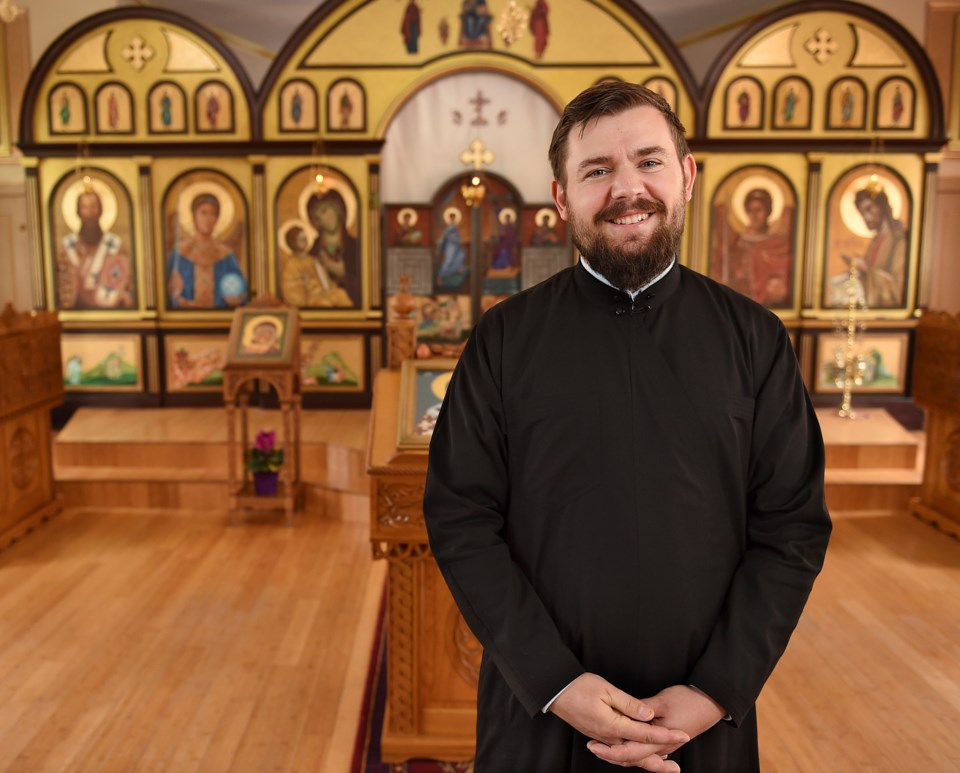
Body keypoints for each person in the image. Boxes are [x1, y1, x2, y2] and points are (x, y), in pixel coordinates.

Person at [423, 82, 831, 772]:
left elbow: (791, 527)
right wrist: (554, 680)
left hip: (701, 725)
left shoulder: (753, 339)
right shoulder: (504, 339)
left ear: (687, 175)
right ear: (561, 199)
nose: (627, 188)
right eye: (597, 170)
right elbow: (461, 518)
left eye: (648, 161)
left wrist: (712, 689)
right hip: (544, 718)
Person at [828, 182, 907, 309]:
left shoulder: (899, 241)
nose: (865, 216)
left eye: (869, 209)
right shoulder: (875, 241)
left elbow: (898, 288)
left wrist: (865, 268)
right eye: (861, 212)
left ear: (882, 207)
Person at [711, 187, 793, 307]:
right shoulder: (736, 244)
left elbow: (783, 278)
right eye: (750, 210)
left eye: (759, 210)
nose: (754, 215)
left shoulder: (777, 244)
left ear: (768, 212)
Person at [57, 188, 134, 310]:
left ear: (100, 211)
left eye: (93, 207)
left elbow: (127, 284)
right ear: (78, 212)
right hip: (78, 319)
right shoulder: (68, 248)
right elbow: (62, 288)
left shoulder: (116, 246)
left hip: (110, 317)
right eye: (84, 207)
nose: (89, 213)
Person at [167, 192, 247, 309]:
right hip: (183, 319)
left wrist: (236, 299)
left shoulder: (226, 255)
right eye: (203, 213)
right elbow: (167, 292)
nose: (208, 219)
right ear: (194, 216)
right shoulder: (180, 252)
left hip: (222, 320)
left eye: (213, 214)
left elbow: (240, 292)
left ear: (217, 218)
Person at [306, 189, 360, 306]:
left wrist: (343, 275)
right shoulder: (313, 253)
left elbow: (367, 290)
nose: (322, 218)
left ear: (339, 210)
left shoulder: (355, 248)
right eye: (317, 216)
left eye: (325, 211)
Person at [279, 224, 352, 308]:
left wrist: (328, 287)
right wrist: (304, 283)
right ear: (293, 243)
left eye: (305, 238)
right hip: (310, 298)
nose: (305, 241)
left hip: (323, 293)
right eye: (301, 239)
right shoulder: (291, 265)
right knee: (325, 304)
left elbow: (324, 280)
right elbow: (290, 290)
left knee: (341, 295)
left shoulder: (312, 260)